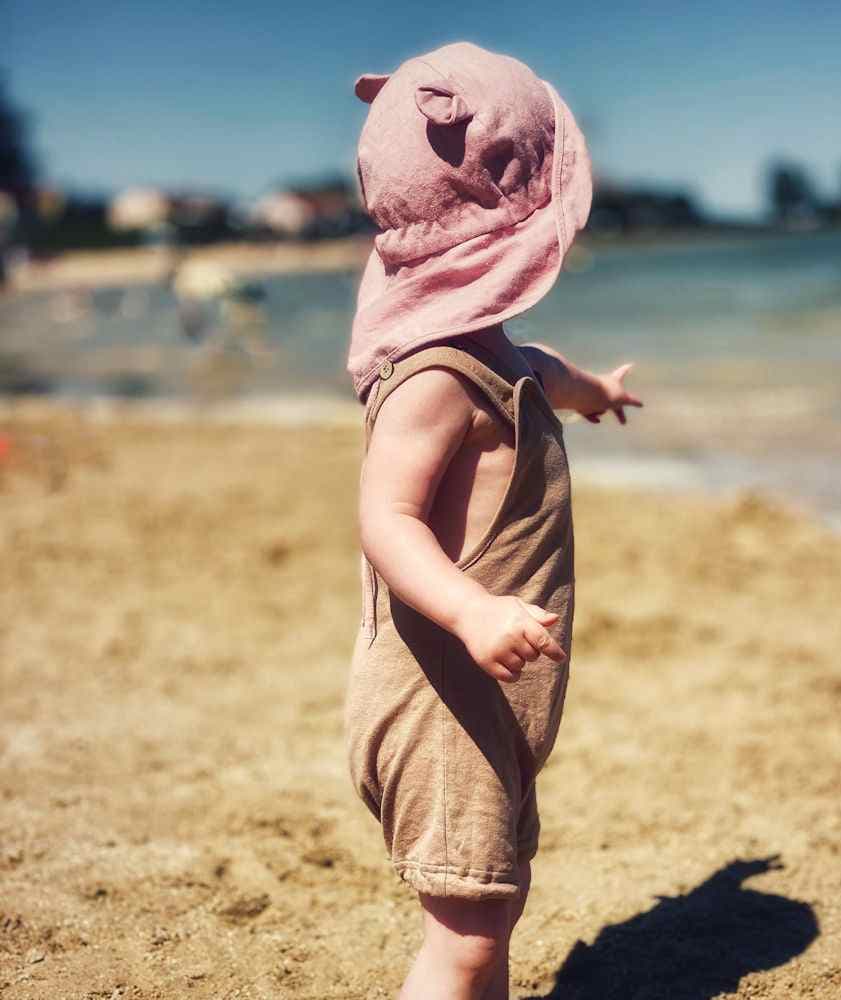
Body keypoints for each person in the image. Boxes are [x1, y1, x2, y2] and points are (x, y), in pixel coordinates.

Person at [343, 42, 642, 999]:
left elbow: (545, 371)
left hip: (490, 702)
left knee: (492, 909)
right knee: (466, 936)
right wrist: (471, 610)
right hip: (441, 700)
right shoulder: (432, 380)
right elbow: (386, 518)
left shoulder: (496, 354)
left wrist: (596, 393)